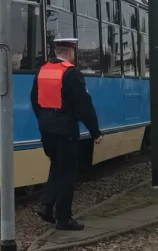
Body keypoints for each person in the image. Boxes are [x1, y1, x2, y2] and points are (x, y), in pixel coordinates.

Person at [30, 38, 103, 231]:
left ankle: (47, 206)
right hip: (65, 129)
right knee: (67, 174)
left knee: (56, 165)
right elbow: (83, 105)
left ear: (56, 51)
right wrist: (95, 132)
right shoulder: (71, 73)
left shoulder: (42, 70)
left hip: (46, 127)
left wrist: (43, 119)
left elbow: (34, 99)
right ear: (70, 53)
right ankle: (63, 218)